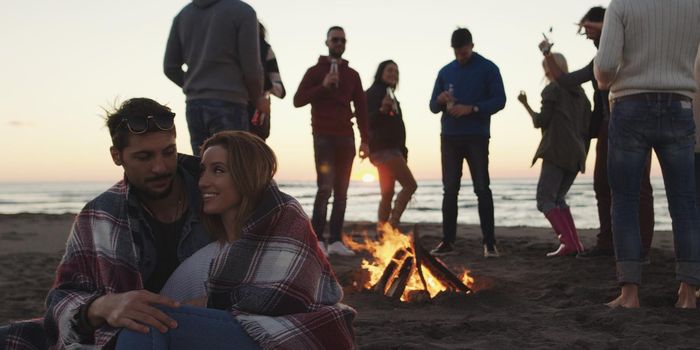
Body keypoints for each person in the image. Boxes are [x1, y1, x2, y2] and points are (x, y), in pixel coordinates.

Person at [0, 98, 212, 349]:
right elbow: (61, 300)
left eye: (168, 152)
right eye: (144, 157)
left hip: (212, 325)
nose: (160, 167)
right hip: (133, 334)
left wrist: (218, 300)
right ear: (116, 156)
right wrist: (103, 306)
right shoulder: (99, 214)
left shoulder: (221, 189)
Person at [115, 131, 357, 349]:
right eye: (203, 171)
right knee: (146, 323)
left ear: (246, 175)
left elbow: (287, 296)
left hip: (291, 333)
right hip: (242, 330)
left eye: (218, 170)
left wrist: (210, 301)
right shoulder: (213, 251)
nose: (202, 182)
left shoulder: (284, 214)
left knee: (146, 327)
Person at [594, 0, 700, 308]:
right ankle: (688, 294)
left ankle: (630, 294)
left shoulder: (622, 5)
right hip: (680, 104)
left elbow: (605, 64)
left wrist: (604, 83)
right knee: (685, 204)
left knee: (625, 201)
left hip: (630, 105)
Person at [541, 7, 656, 261]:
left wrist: (604, 28)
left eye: (590, 29)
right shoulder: (599, 60)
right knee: (602, 184)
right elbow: (567, 80)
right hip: (607, 125)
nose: (587, 36)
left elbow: (626, 33)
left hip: (636, 121)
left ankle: (642, 250)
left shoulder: (630, 49)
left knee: (639, 186)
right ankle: (607, 244)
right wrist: (547, 53)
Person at [428, 28, 506, 258]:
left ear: (471, 45)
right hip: (449, 136)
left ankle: (489, 243)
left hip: (476, 135)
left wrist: (472, 108)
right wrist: (440, 100)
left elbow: (500, 100)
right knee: (449, 190)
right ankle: (448, 241)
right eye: (456, 52)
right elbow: (432, 106)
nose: (460, 56)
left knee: (482, 188)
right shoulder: (445, 71)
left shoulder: (488, 68)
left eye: (463, 51)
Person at [293, 26, 370, 257]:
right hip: (323, 136)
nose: (338, 43)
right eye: (334, 39)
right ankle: (317, 241)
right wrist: (323, 86)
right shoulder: (315, 71)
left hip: (346, 137)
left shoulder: (353, 74)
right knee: (325, 188)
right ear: (326, 42)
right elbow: (298, 100)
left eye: (342, 40)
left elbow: (363, 110)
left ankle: (336, 240)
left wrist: (366, 141)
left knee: (342, 191)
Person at [164, 0, 268, 155]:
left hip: (194, 105)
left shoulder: (182, 16)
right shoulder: (243, 12)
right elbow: (251, 67)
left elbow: (170, 67)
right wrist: (258, 100)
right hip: (231, 103)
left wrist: (196, 86)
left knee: (203, 167)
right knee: (235, 166)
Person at [517, 53, 591, 257]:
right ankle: (574, 244)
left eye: (546, 68)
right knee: (558, 198)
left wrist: (525, 104)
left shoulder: (553, 90)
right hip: (577, 153)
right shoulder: (582, 95)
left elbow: (541, 121)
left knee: (545, 199)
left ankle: (568, 242)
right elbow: (587, 127)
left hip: (557, 149)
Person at [366, 60, 417, 230]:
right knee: (410, 185)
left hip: (390, 150)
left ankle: (382, 233)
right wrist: (381, 110)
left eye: (396, 71)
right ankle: (392, 226)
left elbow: (397, 129)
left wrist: (403, 153)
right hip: (383, 149)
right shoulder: (373, 93)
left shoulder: (392, 96)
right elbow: (365, 122)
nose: (393, 74)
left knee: (387, 193)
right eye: (389, 70)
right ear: (380, 72)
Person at [248, 22, 286, 141]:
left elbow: (281, 91)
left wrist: (264, 82)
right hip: (232, 113)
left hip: (256, 117)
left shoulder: (265, 49)